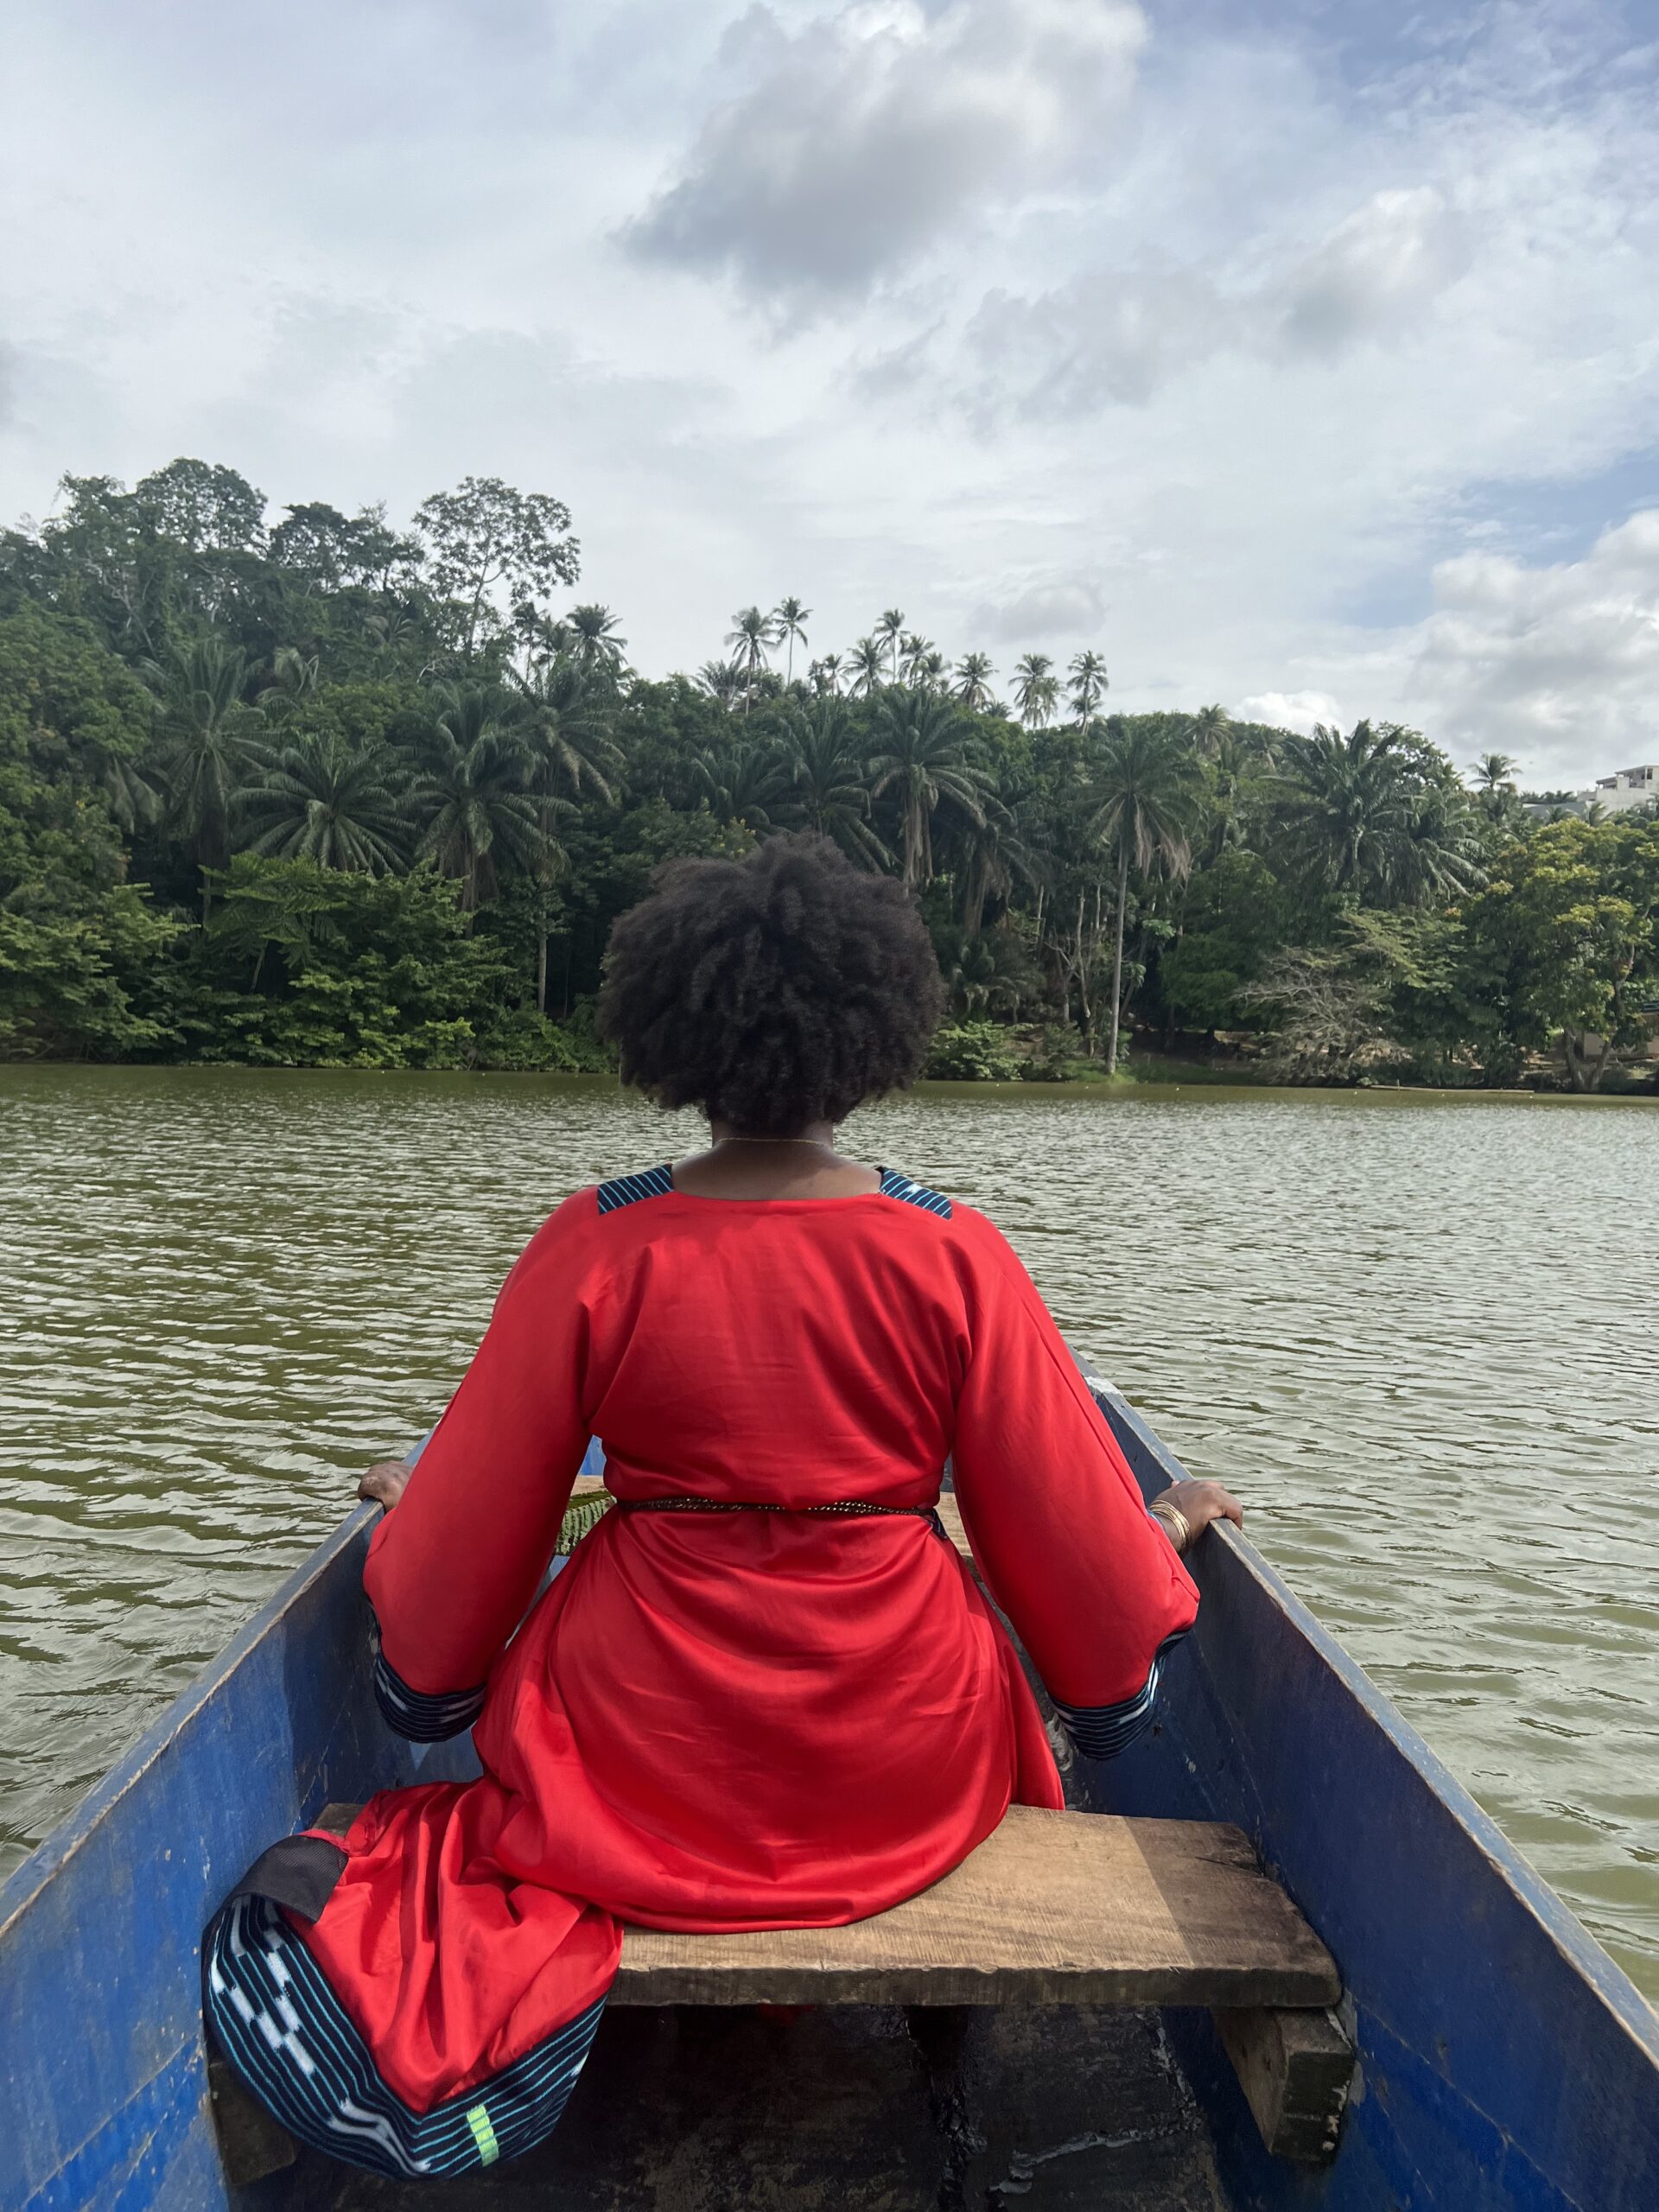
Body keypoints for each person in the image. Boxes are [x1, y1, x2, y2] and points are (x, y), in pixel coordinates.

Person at [203, 833, 1243, 2181]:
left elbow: (466, 1554)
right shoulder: (951, 1248)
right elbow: (1073, 1551)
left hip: (634, 1766)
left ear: (672, 1037)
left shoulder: (597, 1237)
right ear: (877, 1039)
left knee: (510, 1701)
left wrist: (414, 1558)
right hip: (900, 1773)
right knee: (996, 1668)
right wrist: (1163, 1535)